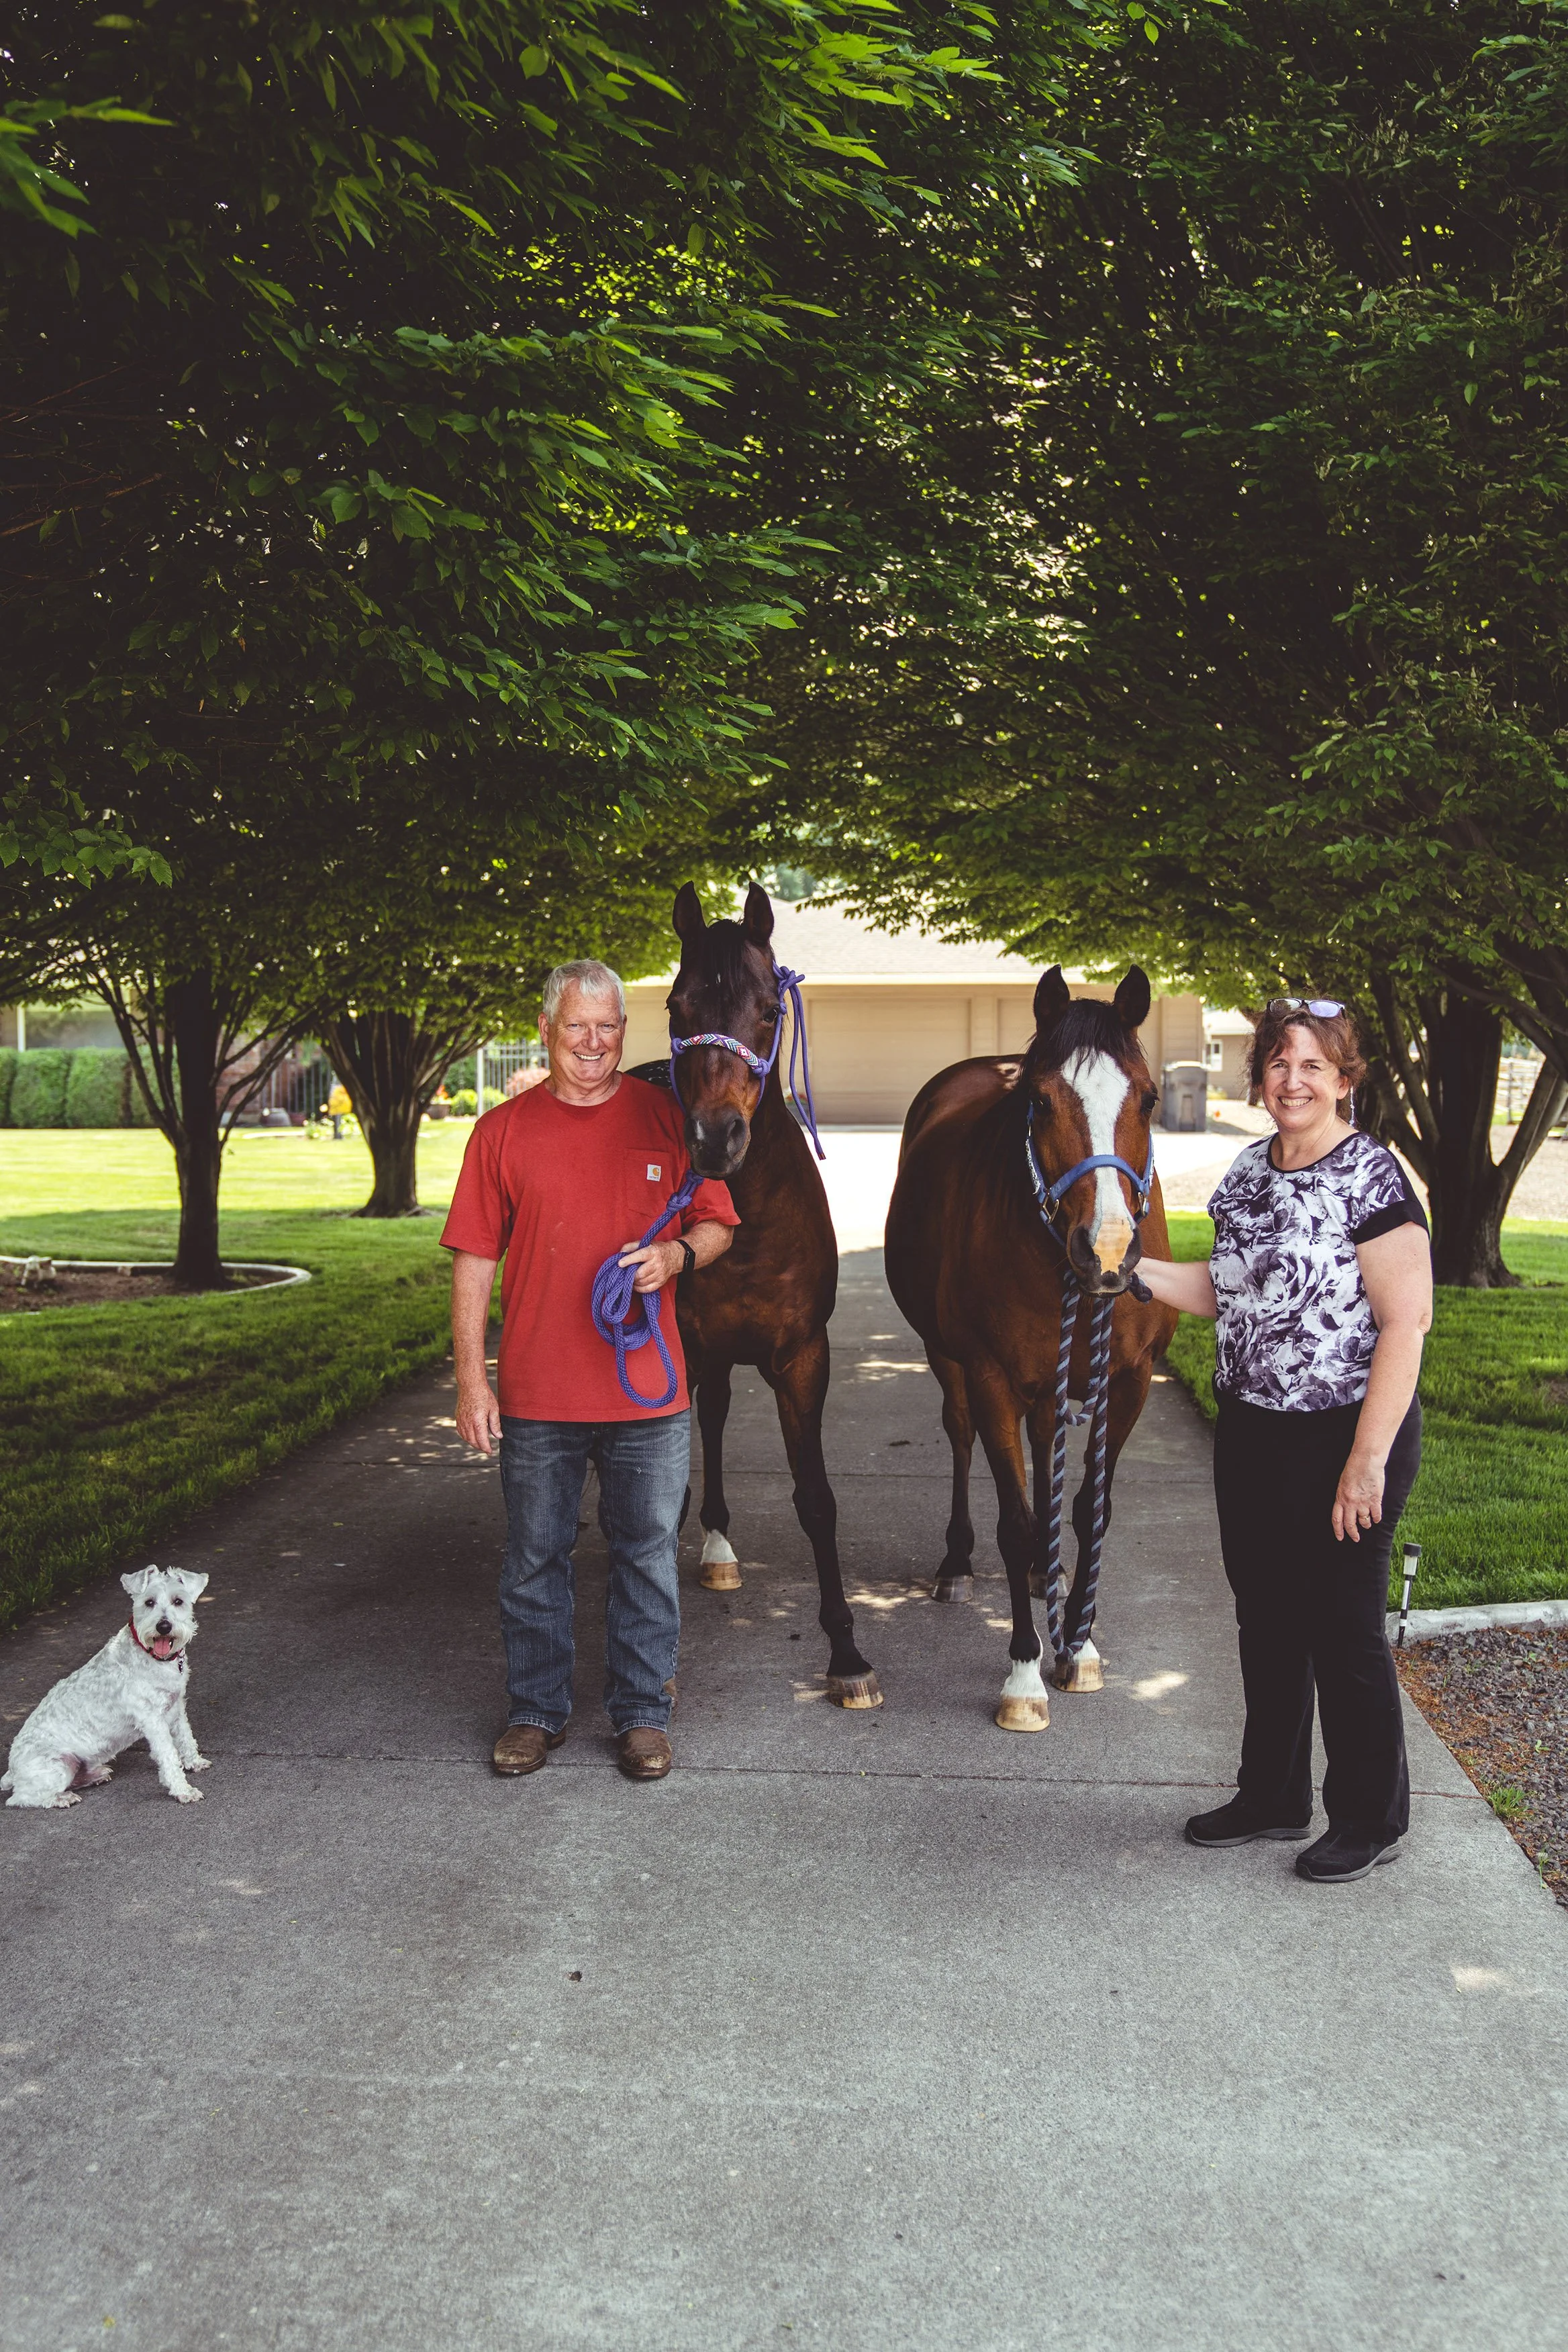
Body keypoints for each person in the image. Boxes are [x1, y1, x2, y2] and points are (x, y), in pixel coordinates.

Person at [1135, 998, 1433, 1883]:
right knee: (1264, 1618)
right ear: (1258, 1077)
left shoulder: (1372, 1178)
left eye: (1313, 1065)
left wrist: (1366, 1461)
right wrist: (1127, 1272)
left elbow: (1405, 1324)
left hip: (1348, 1432)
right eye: (1278, 1064)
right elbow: (1229, 1293)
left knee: (1343, 1626)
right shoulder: (1246, 1175)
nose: (1293, 1080)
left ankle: (1370, 1818)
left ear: (1345, 1080)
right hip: (1254, 1431)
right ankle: (1271, 1794)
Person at [442, 961, 738, 1782]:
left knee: (646, 1552)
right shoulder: (501, 1133)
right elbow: (471, 1261)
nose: (594, 1042)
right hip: (540, 1395)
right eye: (577, 1025)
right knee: (535, 1556)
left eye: (608, 1026)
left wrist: (674, 1255)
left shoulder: (665, 1118)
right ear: (546, 1027)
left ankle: (642, 1714)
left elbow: (718, 1225)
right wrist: (473, 1382)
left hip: (647, 1396)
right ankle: (535, 1712)